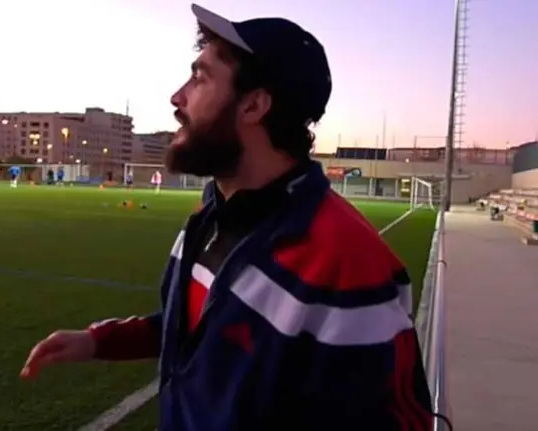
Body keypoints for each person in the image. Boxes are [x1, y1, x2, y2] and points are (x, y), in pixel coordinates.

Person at [22, 4, 433, 430]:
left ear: (253, 105)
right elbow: (206, 329)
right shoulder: (211, 212)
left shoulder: (347, 261)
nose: (177, 97)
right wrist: (101, 341)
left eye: (200, 78)